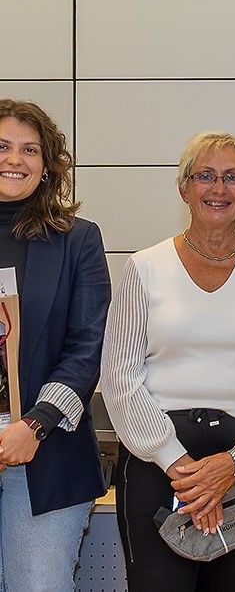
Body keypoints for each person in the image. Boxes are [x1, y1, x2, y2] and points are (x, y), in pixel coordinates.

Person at [100, 132, 235, 591]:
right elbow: (119, 378)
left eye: (233, 177)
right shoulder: (144, 269)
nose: (219, 189)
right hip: (158, 465)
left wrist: (233, 463)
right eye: (205, 176)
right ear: (184, 188)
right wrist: (181, 467)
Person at [0, 100, 111, 591]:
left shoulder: (77, 240)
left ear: (47, 167)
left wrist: (35, 425)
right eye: (2, 147)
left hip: (46, 452)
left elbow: (88, 349)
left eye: (29, 150)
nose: (15, 159)